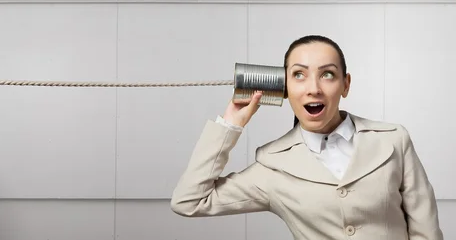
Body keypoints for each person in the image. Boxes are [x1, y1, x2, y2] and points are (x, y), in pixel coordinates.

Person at [170, 35, 443, 240]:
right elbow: (189, 201)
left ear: (345, 84)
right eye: (299, 75)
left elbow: (426, 230)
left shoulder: (393, 141)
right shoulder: (272, 167)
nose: (313, 88)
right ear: (284, 86)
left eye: (327, 74)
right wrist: (229, 125)